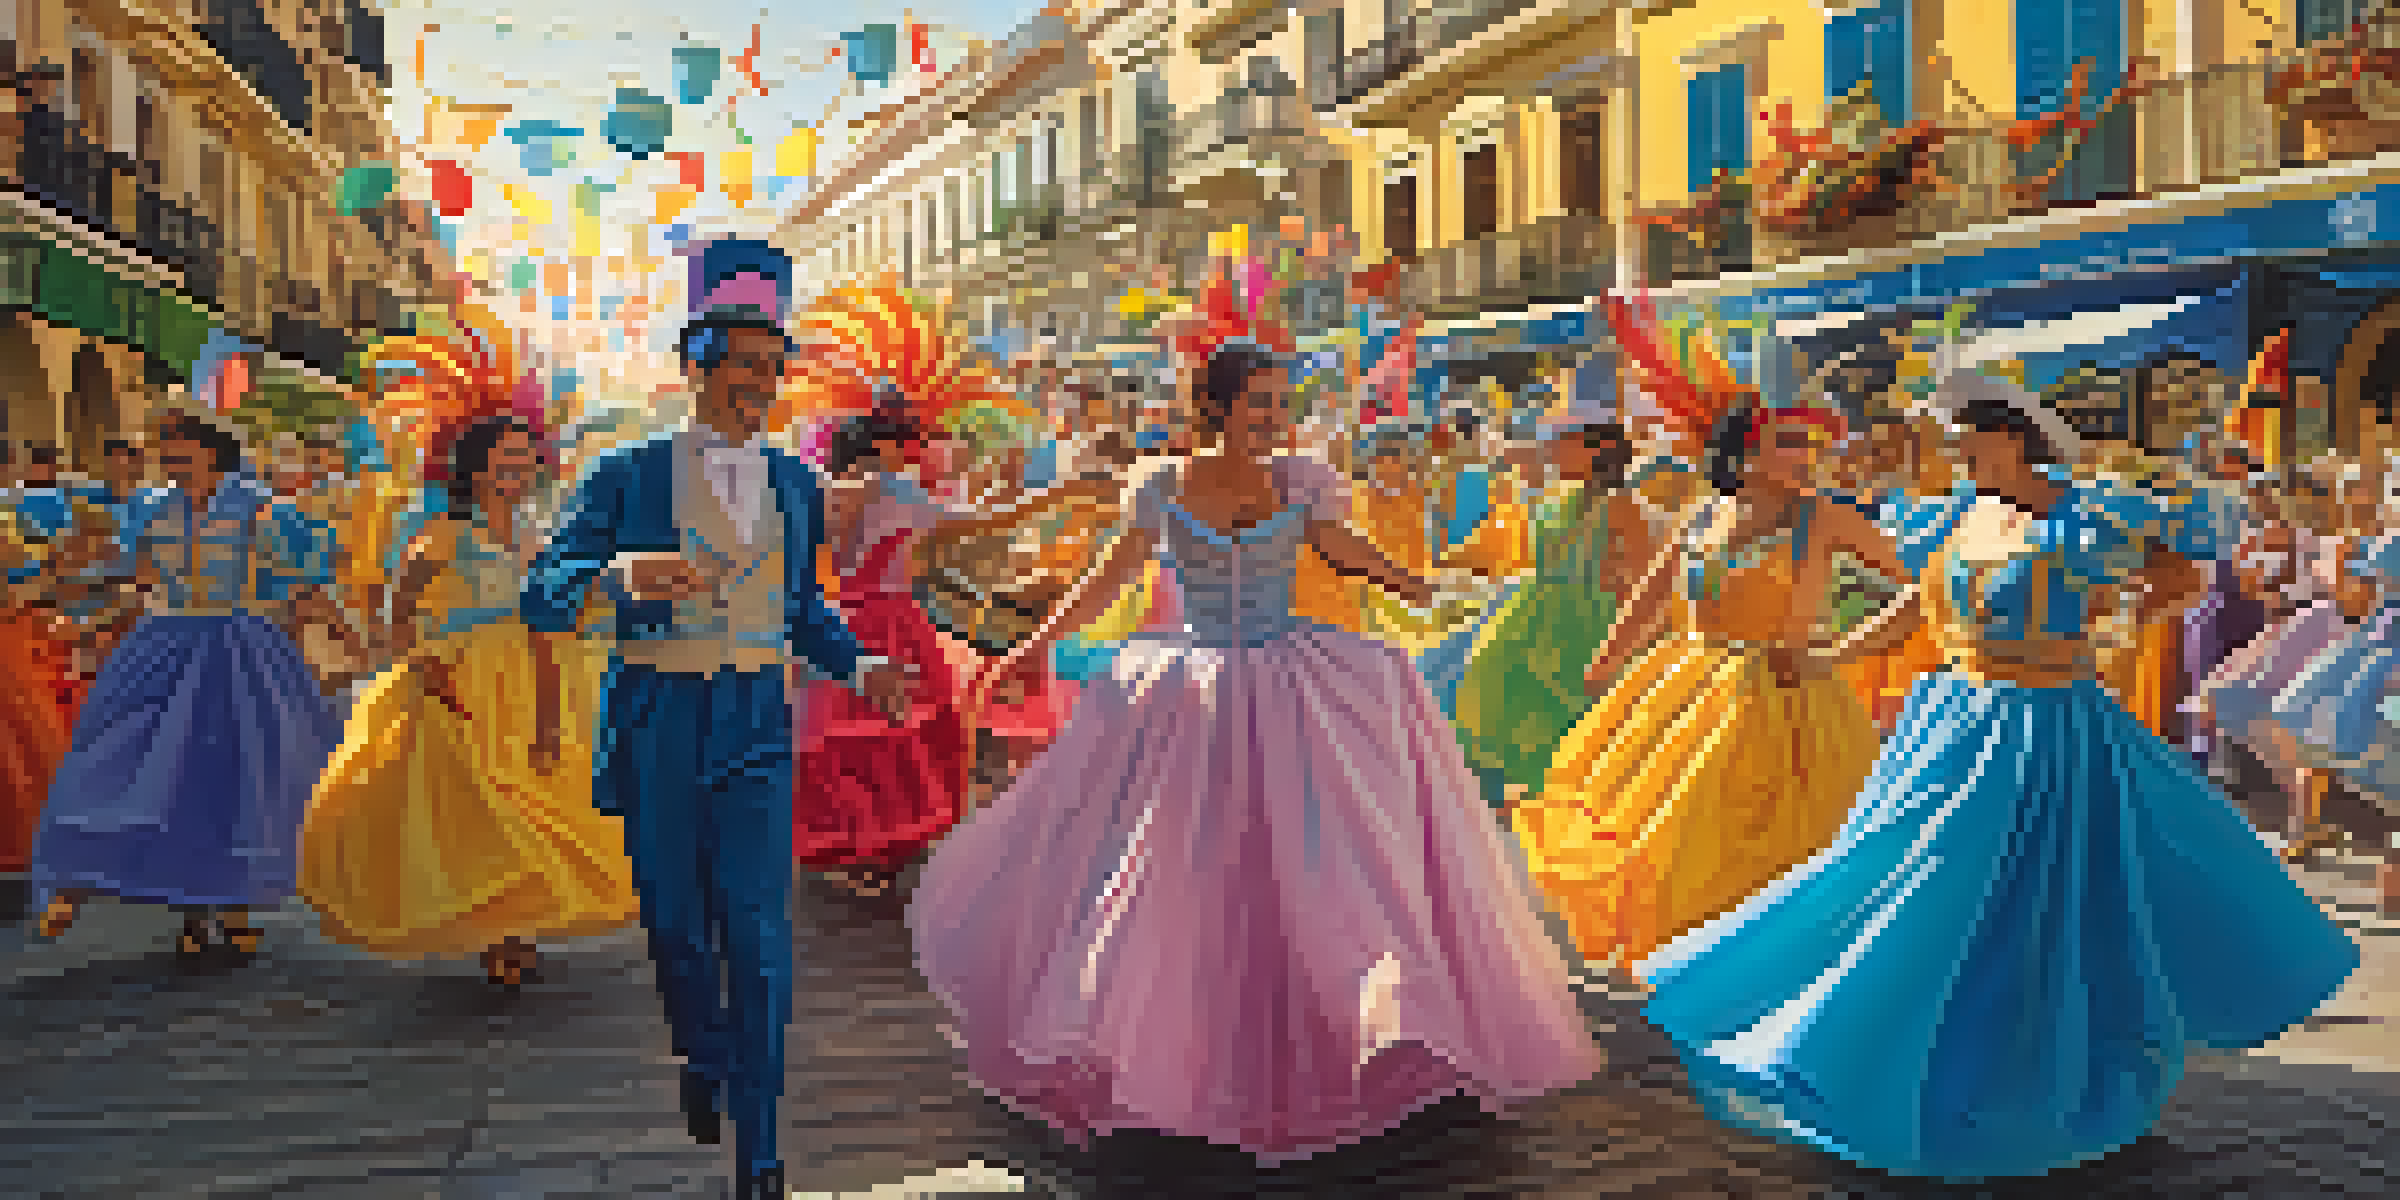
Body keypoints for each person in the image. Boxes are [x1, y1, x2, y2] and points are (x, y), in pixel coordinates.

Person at [1638, 372, 2360, 1180]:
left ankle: (2037, 1068)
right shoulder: (1959, 513)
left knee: (2049, 903)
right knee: (1917, 882)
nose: (1955, 457)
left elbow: (2181, 578)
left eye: (1966, 443)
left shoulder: (2092, 513)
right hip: (1957, 722)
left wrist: (2116, 625)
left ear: (2013, 441)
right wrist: (1831, 655)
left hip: (2052, 727)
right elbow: (1911, 610)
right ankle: (1859, 1041)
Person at [909, 342, 1600, 1162]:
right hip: (1193, 689)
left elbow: (1343, 550)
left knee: (1316, 861)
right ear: (1218, 406)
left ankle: (1349, 1026)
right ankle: (1176, 1052)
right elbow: (1112, 573)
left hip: (1286, 676)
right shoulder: (1161, 485)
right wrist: (1037, 644)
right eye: (1261, 402)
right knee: (1183, 870)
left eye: (1281, 402)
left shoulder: (1301, 481)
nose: (1277, 416)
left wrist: (1419, 587)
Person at [518, 240, 914, 1200]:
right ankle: (701, 1054)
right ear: (697, 365)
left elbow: (802, 608)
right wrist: (617, 575)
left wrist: (861, 665)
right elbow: (542, 593)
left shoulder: (795, 484)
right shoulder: (624, 473)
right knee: (677, 931)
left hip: (755, 722)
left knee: (759, 933)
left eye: (774, 368)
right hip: (658, 714)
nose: (762, 386)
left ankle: (762, 1149)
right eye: (745, 365)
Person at [1515, 302, 1911, 981]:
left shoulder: (1825, 518)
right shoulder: (1702, 516)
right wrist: (1610, 656)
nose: (1806, 456)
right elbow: (1652, 592)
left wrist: (1842, 649)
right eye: (1789, 443)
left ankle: (1774, 966)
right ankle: (1702, 958)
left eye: (1810, 444)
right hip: (1690, 689)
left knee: (1784, 836)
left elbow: (1918, 587)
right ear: (1745, 453)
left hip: (1790, 699)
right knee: (1676, 829)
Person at [303, 403, 637, 985]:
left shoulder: (542, 536)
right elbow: (399, 610)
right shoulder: (444, 534)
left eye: (525, 459)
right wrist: (420, 663)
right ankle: (500, 930)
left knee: (537, 799)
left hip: (535, 676)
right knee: (482, 801)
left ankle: (518, 923)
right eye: (505, 458)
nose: (517, 469)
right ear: (476, 468)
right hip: (460, 680)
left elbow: (559, 615)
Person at [29, 414, 345, 955]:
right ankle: (187, 908)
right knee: (146, 762)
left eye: (181, 450)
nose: (171, 460)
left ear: (212, 453)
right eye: (167, 452)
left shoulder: (261, 507)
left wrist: (345, 635)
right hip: (165, 645)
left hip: (237, 648)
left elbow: (305, 581)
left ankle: (236, 902)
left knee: (233, 775)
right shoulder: (155, 509)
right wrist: (93, 618)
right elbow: (140, 582)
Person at [798, 409, 1109, 896]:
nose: (914, 456)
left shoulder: (818, 490)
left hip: (836, 623)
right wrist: (1059, 495)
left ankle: (849, 851)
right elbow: (981, 524)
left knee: (845, 740)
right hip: (892, 624)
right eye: (906, 447)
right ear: (883, 448)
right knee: (900, 737)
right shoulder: (896, 490)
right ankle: (879, 852)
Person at [1449, 419, 1650, 813]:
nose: (1554, 448)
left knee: (1565, 714)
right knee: (1490, 692)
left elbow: (1643, 578)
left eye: (1565, 441)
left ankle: (1550, 801)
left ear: (1597, 450)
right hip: (1533, 614)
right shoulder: (1558, 497)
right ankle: (1517, 794)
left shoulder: (1622, 504)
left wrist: (1625, 641)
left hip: (1587, 622)